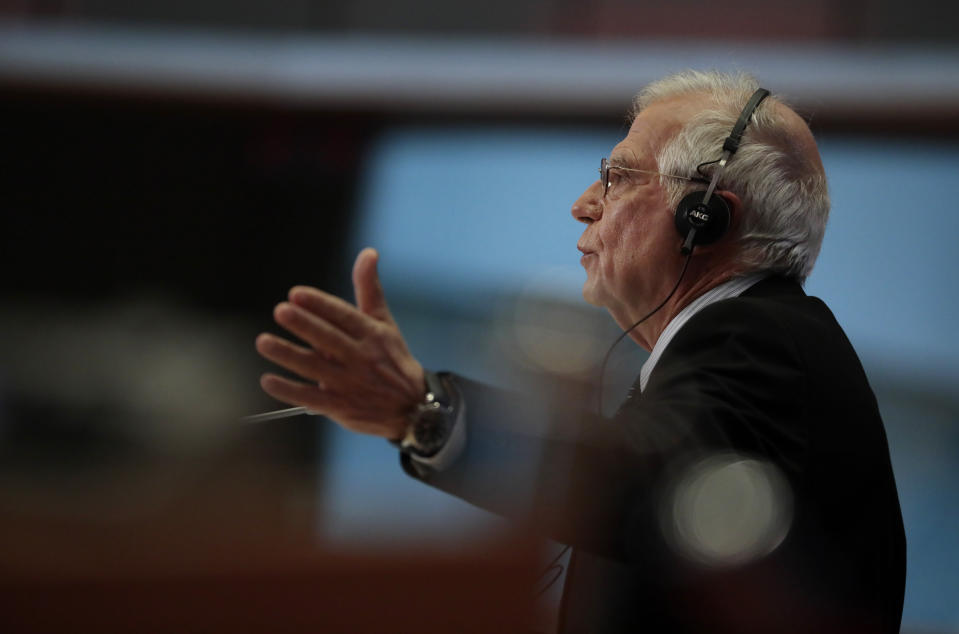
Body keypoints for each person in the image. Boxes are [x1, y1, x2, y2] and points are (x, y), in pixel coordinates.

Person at [254, 71, 906, 634]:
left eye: (617, 176)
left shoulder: (757, 338)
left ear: (703, 216)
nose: (581, 205)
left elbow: (644, 494)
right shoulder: (756, 342)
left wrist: (422, 412)